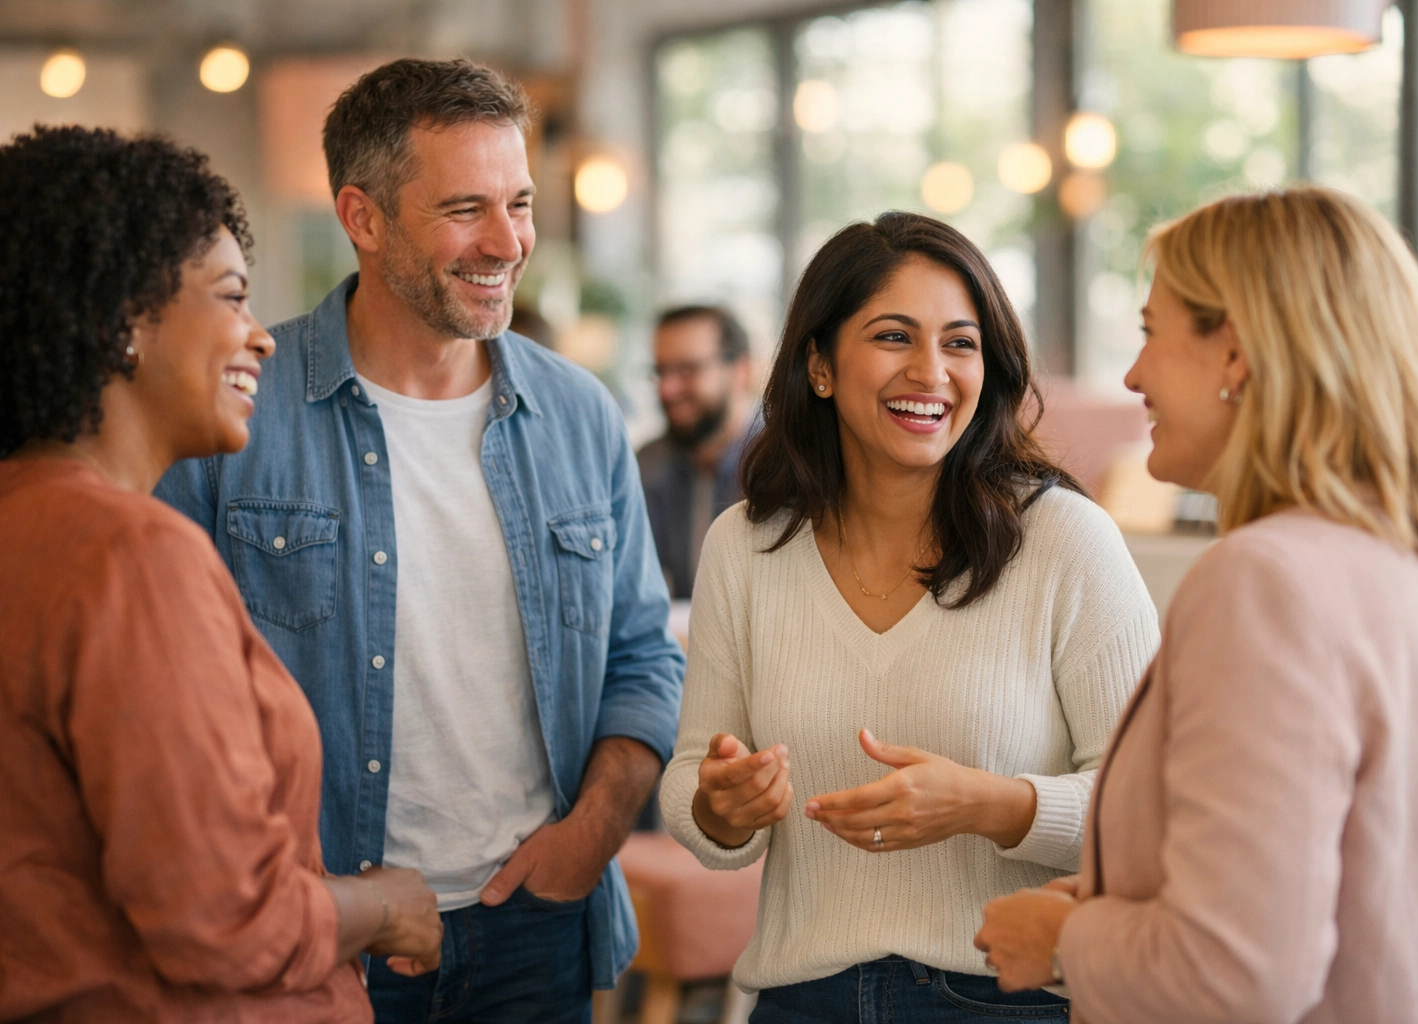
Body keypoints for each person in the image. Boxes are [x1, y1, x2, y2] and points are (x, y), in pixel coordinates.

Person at [156, 59, 685, 1024]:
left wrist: (592, 835)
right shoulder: (237, 412)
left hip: (535, 926)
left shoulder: (580, 415)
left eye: (519, 203)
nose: (508, 242)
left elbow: (644, 658)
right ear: (362, 217)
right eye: (465, 209)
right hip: (319, 928)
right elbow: (170, 690)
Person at [973, 186, 1418, 1024]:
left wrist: (1062, 940)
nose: (1133, 374)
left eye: (1151, 331)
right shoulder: (1417, 569)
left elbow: (1237, 975)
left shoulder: (1265, 583)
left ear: (1233, 353)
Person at [659, 212, 1160, 1024]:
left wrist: (989, 804)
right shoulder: (743, 545)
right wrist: (721, 807)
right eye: (894, 337)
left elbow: (1151, 806)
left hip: (1005, 1000)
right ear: (819, 365)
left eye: (961, 343)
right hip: (801, 1000)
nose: (931, 372)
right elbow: (694, 780)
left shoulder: (1065, 539)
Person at [0, 126, 442, 1023]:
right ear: (123, 320)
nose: (260, 337)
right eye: (232, 296)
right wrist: (386, 906)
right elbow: (224, 921)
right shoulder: (131, 555)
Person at [637, 304, 757, 599]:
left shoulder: (792, 464)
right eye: (661, 371)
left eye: (687, 370)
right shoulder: (647, 464)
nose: (667, 390)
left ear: (741, 371)